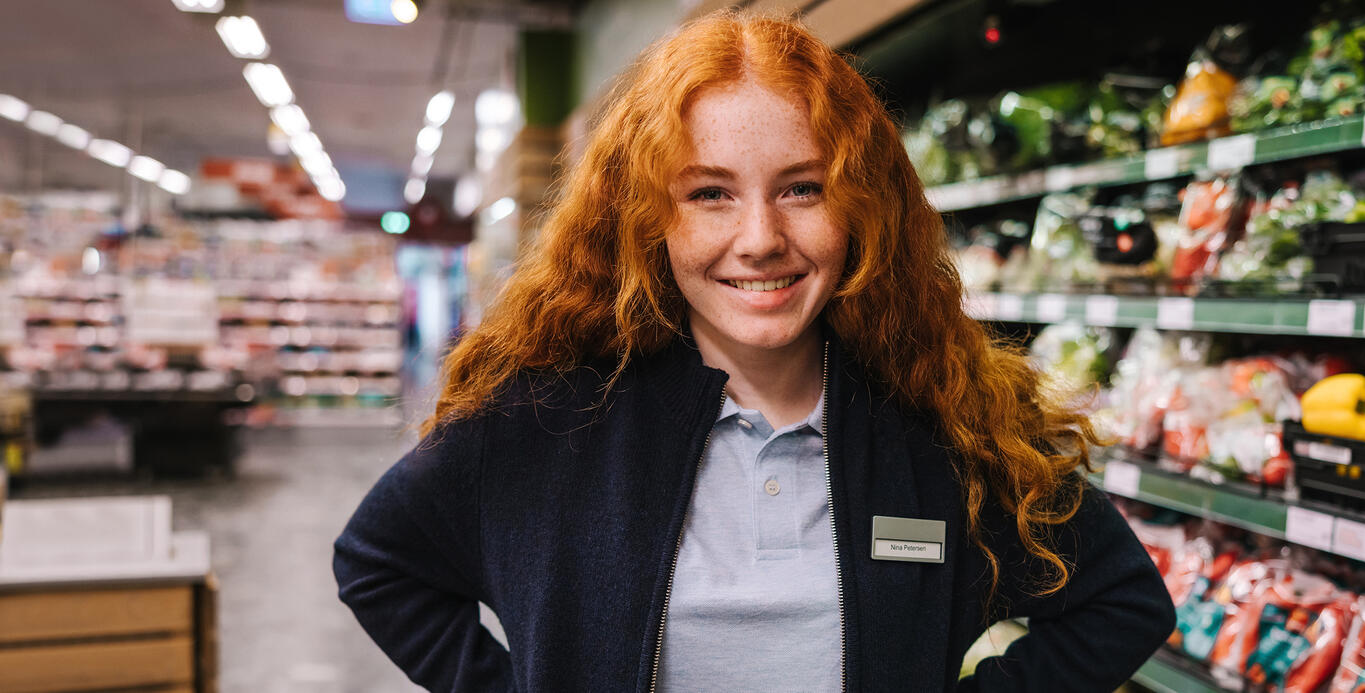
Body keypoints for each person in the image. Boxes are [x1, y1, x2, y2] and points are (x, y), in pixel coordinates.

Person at [334, 10, 1175, 692]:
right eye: (709, 194)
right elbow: (379, 562)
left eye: (802, 188)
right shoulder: (550, 415)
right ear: (648, 219)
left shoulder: (938, 426)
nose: (761, 239)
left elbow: (1120, 601)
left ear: (861, 208)